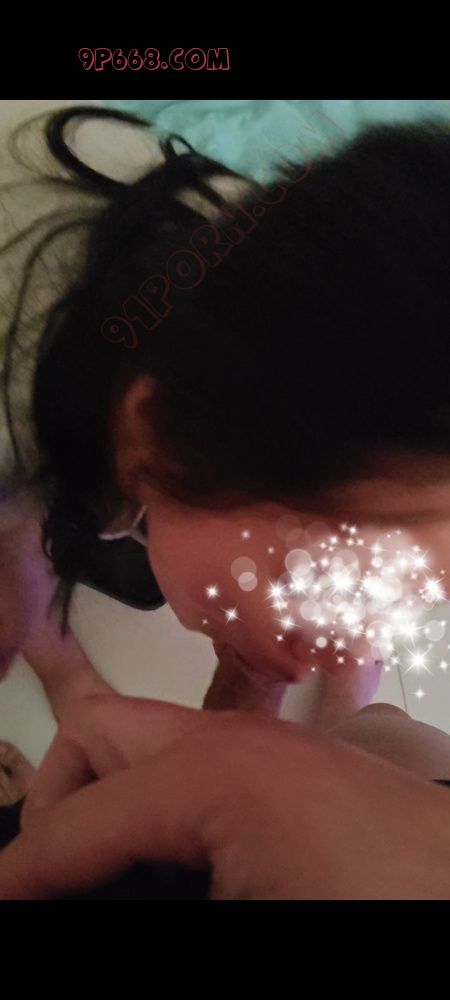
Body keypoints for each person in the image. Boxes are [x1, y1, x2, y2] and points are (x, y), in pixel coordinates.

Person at [1, 105, 450, 899]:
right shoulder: (24, 417)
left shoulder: (267, 294)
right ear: (157, 439)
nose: (323, 654)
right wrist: (38, 627)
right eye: (315, 584)